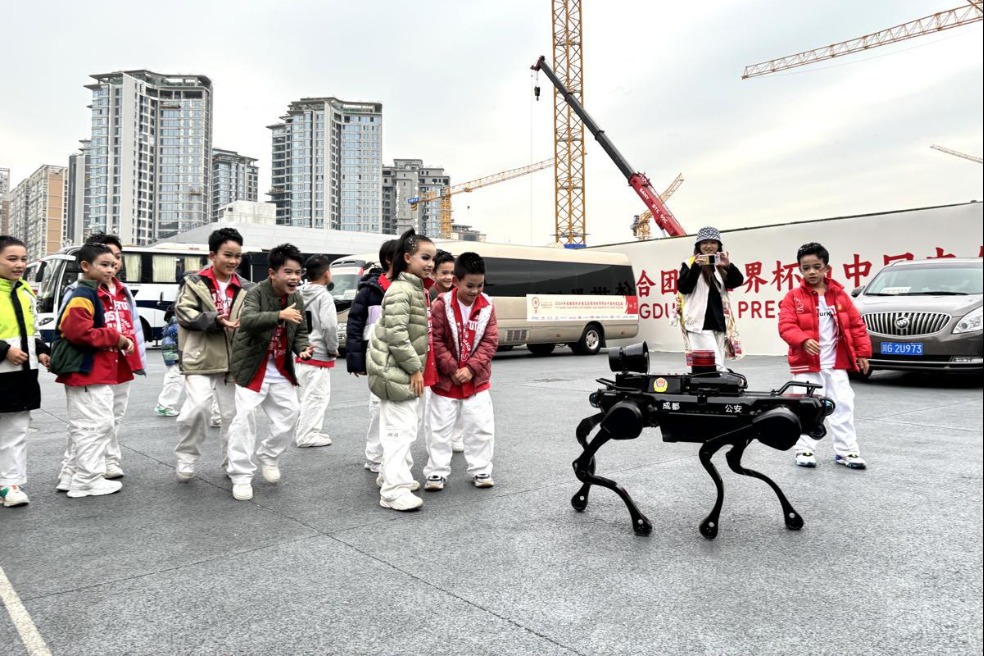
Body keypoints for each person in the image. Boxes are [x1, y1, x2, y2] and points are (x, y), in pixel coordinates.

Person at [57, 232, 146, 484]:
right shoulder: (81, 290)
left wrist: (136, 355)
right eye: (106, 260)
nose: (113, 264)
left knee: (111, 418)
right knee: (89, 420)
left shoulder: (122, 290)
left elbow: (134, 323)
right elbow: (72, 329)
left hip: (122, 361)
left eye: (117, 258)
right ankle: (75, 471)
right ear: (90, 261)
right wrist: (113, 338)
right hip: (95, 361)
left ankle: (108, 460)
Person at [226, 243, 312, 501]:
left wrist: (303, 348)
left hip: (280, 367)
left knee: (292, 412)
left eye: (298, 273)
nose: (295, 278)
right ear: (272, 273)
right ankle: (241, 475)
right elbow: (248, 321)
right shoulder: (255, 292)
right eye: (289, 272)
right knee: (244, 418)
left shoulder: (297, 298)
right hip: (253, 366)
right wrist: (279, 315)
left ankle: (269, 455)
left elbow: (300, 331)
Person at [779, 242, 872, 470]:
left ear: (826, 268)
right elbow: (786, 325)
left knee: (843, 406)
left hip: (836, 364)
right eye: (806, 268)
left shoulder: (839, 295)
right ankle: (804, 449)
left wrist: (862, 353)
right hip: (806, 366)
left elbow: (856, 325)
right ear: (799, 270)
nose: (811, 272)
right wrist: (802, 340)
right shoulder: (793, 297)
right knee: (807, 408)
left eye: (816, 267)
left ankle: (847, 452)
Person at [173, 227, 251, 482]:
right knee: (197, 408)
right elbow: (183, 313)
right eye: (228, 255)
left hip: (233, 360)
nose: (233, 261)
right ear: (212, 255)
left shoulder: (246, 287)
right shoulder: (194, 283)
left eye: (238, 256)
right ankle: (186, 458)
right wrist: (216, 319)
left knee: (234, 416)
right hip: (200, 357)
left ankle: (233, 462)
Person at [367, 228, 436, 511]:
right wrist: (414, 368)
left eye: (433, 257)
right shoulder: (402, 290)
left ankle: (391, 476)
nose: (430, 263)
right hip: (396, 372)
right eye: (425, 257)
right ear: (407, 258)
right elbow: (397, 334)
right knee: (399, 432)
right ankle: (393, 492)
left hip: (397, 371)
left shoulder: (413, 288)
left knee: (402, 428)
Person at [423, 252, 498, 491]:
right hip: (446, 381)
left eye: (480, 285)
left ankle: (481, 469)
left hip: (476, 381)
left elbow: (490, 341)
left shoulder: (488, 305)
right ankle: (436, 471)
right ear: (455, 281)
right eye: (470, 286)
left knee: (480, 427)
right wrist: (454, 369)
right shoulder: (440, 305)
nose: (475, 291)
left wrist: (471, 369)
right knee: (439, 428)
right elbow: (434, 341)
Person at [0, 236, 51, 508]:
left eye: (23, 259)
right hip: (4, 368)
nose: (19, 264)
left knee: (16, 429)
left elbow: (32, 330)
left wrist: (41, 350)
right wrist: (3, 350)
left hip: (21, 374)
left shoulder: (25, 291)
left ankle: (9, 485)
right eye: (12, 258)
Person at [346, 239, 398, 473]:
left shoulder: (411, 287)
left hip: (401, 359)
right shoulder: (369, 290)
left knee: (401, 410)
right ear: (390, 259)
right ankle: (375, 457)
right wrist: (356, 361)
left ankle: (395, 456)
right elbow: (355, 325)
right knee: (377, 408)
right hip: (376, 358)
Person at [675, 226, 744, 371]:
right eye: (704, 242)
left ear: (718, 245)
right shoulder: (689, 263)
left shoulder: (719, 265)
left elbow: (737, 282)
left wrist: (728, 266)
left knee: (710, 366)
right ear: (698, 246)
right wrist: (696, 267)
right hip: (699, 323)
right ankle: (726, 387)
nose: (709, 246)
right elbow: (683, 287)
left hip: (719, 322)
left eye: (713, 242)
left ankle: (711, 390)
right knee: (716, 366)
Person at [294, 254, 338, 448]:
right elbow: (329, 326)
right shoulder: (325, 297)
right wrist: (333, 348)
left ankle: (304, 431)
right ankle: (307, 435)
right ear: (326, 273)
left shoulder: (297, 293)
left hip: (301, 351)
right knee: (317, 397)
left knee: (304, 396)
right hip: (319, 352)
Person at [428, 249, 464, 453]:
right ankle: (438, 444)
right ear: (434, 274)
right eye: (444, 272)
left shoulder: (460, 294)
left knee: (460, 399)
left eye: (453, 272)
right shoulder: (429, 295)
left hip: (459, 355)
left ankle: (457, 437)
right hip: (436, 357)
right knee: (438, 405)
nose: (449, 277)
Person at [154, 305, 181, 416]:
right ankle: (165, 405)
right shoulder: (176, 324)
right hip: (173, 354)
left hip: (170, 353)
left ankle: (164, 405)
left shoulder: (171, 323)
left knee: (172, 377)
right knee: (175, 379)